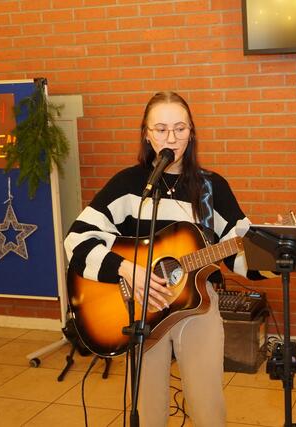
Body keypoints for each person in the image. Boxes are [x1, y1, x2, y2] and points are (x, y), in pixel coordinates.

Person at [64, 91, 274, 427]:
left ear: (192, 132)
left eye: (180, 128)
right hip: (141, 308)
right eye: (161, 129)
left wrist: (273, 261)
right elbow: (76, 240)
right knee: (149, 410)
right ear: (146, 134)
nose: (171, 138)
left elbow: (238, 251)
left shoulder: (211, 188)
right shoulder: (128, 185)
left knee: (208, 407)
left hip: (198, 307)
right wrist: (127, 270)